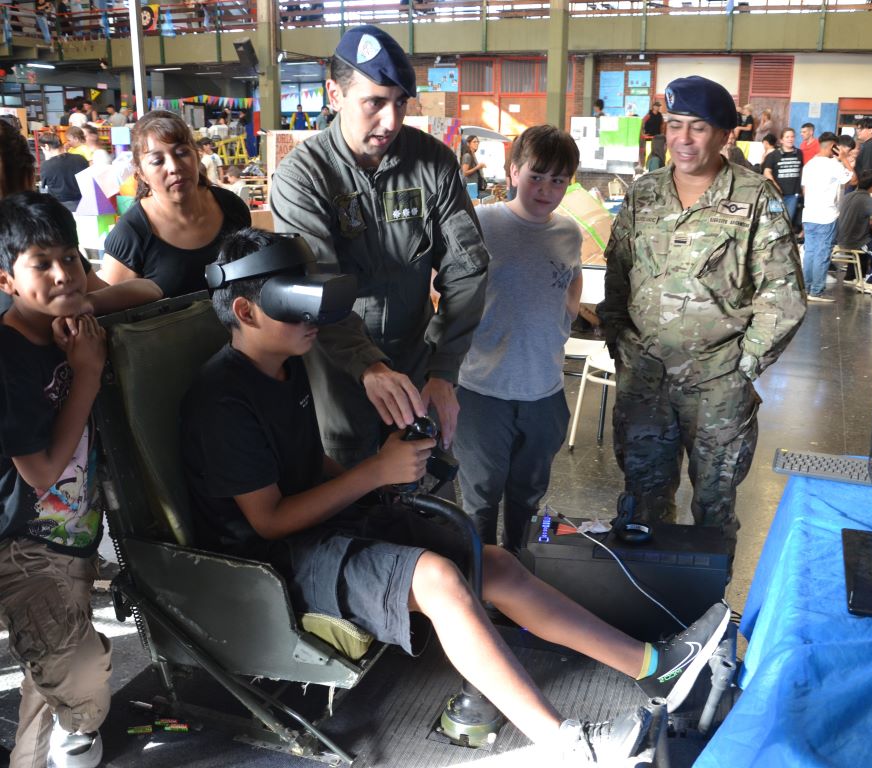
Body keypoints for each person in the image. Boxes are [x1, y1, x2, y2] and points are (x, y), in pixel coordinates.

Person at [183, 227, 733, 762]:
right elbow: (269, 522)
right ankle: (569, 742)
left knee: (487, 560)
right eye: (294, 306)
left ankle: (658, 666)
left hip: (321, 532)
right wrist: (374, 473)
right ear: (246, 312)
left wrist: (380, 480)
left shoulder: (285, 366)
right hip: (269, 566)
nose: (311, 320)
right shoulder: (223, 399)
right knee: (441, 580)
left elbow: (308, 465)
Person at [597, 76, 806, 543]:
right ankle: (644, 608)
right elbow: (617, 273)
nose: (683, 140)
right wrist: (619, 341)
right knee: (641, 505)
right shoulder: (643, 193)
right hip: (644, 378)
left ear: (725, 134)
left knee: (714, 509)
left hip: (718, 384)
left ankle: (707, 610)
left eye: (698, 127)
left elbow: (783, 295)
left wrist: (743, 366)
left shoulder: (755, 198)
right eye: (674, 126)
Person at [270, 25, 489, 466]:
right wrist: (368, 366)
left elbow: (467, 269)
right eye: (375, 102)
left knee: (428, 500)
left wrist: (443, 370)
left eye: (400, 103)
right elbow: (318, 286)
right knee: (349, 502)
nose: (391, 121)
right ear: (335, 94)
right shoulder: (302, 178)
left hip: (417, 368)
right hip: (338, 377)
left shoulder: (434, 164)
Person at [0, 191, 160, 768]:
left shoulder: (71, 324)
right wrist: (87, 372)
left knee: (51, 664)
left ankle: (34, 756)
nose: (63, 273)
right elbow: (41, 472)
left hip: (75, 534)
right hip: (24, 544)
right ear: (6, 279)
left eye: (71, 258)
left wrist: (81, 297)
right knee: (82, 671)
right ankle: (80, 735)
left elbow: (150, 290)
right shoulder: (8, 355)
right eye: (41, 264)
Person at [454, 126, 582, 552]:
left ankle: (517, 578)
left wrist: (566, 317)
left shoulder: (569, 232)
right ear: (512, 172)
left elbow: (571, 277)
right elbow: (443, 285)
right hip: (483, 389)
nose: (546, 189)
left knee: (528, 495)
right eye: (536, 175)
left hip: (543, 390)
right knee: (481, 498)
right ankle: (481, 588)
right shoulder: (482, 222)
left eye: (558, 180)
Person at [99, 111, 251, 297]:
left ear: (196, 157)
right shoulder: (131, 233)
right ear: (141, 174)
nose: (174, 167)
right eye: (157, 161)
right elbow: (111, 312)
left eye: (182, 153)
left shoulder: (231, 207)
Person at [801, 132, 852, 302]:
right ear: (832, 146)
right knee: (822, 254)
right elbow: (853, 180)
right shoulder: (833, 165)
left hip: (809, 213)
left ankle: (806, 288)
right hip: (827, 215)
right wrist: (844, 159)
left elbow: (804, 190)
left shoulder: (809, 165)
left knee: (810, 252)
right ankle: (816, 291)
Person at [835, 170, 872, 289]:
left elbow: (854, 218)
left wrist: (870, 222)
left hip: (844, 236)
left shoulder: (850, 195)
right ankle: (869, 282)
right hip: (856, 240)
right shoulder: (865, 198)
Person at [38, 134, 89, 211]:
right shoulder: (80, 158)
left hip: (60, 208)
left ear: (46, 147)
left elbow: (44, 186)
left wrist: (47, 159)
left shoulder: (46, 165)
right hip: (85, 203)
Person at [762, 127, 803, 224]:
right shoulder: (774, 155)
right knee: (775, 221)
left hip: (793, 195)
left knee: (788, 221)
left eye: (792, 136)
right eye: (787, 137)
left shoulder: (799, 153)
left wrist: (801, 188)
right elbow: (766, 172)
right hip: (776, 195)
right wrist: (776, 187)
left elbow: (801, 171)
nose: (790, 139)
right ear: (781, 140)